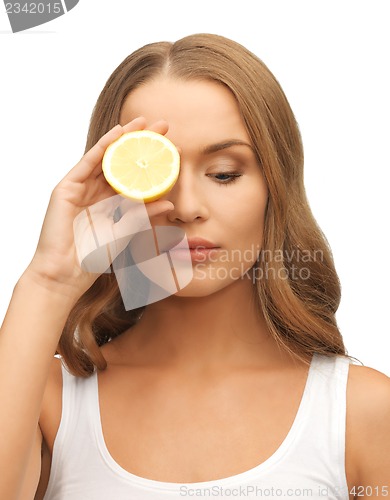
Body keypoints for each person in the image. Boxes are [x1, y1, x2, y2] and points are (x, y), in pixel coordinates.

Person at [0, 33, 389, 500]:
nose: (186, 207)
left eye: (224, 173)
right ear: (111, 184)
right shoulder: (45, 402)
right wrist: (49, 280)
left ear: (275, 187)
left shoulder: (362, 410)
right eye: (155, 173)